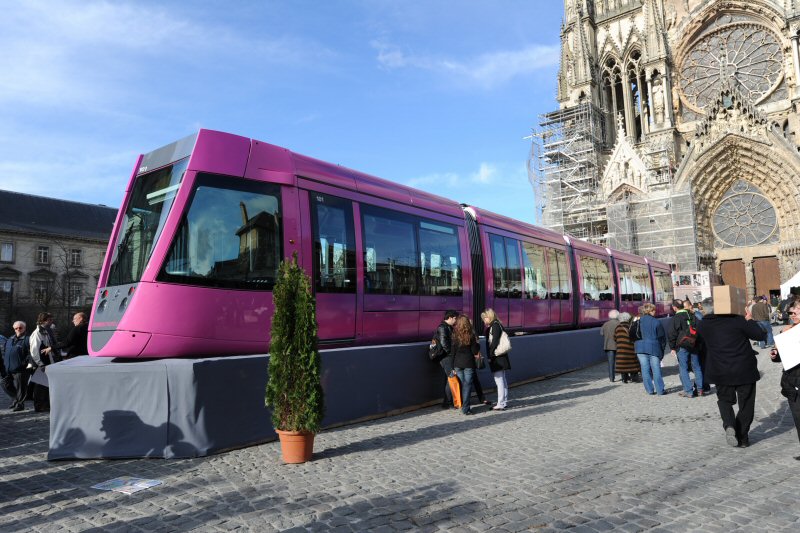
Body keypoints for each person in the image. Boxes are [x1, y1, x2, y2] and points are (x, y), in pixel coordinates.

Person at [696, 304, 766, 447]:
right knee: (746, 404)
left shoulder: (704, 324)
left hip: (719, 369)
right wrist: (750, 319)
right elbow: (760, 335)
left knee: (724, 400)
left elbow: (698, 345)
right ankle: (743, 438)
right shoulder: (738, 320)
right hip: (743, 369)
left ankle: (729, 424)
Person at [769, 300, 800, 460]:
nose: (793, 314)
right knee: (798, 416)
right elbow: (778, 355)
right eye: (791, 312)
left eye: (797, 311)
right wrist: (775, 353)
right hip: (793, 380)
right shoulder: (786, 331)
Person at [668, 299, 704, 398]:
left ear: (674, 307)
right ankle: (700, 389)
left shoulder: (675, 318)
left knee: (683, 368)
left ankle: (689, 391)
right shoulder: (692, 315)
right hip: (694, 344)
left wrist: (672, 347)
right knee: (697, 367)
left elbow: (671, 334)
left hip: (682, 345)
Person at [29, 312, 60, 412]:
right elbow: (34, 349)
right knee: (40, 385)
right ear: (43, 320)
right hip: (42, 362)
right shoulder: (38, 332)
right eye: (49, 320)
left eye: (51, 320)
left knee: (46, 384)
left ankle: (45, 404)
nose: (51, 321)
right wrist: (40, 363)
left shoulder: (47, 330)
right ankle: (39, 405)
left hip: (48, 361)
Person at [633, 303, 667, 395]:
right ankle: (660, 390)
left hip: (640, 348)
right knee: (656, 369)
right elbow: (662, 338)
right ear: (650, 311)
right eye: (654, 310)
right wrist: (662, 350)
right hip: (653, 348)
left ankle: (649, 390)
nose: (655, 312)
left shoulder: (637, 321)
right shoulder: (656, 322)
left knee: (644, 369)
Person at [481, 308, 511, 411]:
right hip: (501, 356)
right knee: (502, 379)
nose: (484, 321)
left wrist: (490, 356)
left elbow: (493, 343)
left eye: (484, 318)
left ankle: (501, 403)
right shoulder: (497, 325)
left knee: (499, 381)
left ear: (489, 317)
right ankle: (504, 401)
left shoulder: (494, 326)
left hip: (497, 357)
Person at [452, 315, 480, 416]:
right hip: (468, 363)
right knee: (467, 386)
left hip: (457, 364)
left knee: (462, 385)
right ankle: (466, 408)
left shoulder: (455, 335)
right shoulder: (471, 335)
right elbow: (475, 351)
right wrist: (477, 344)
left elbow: (452, 352)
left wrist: (452, 367)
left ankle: (462, 405)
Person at [434, 310, 458, 409]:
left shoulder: (447, 327)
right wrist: (451, 354)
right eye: (455, 318)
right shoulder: (443, 327)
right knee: (451, 377)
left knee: (448, 379)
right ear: (450, 317)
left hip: (447, 356)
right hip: (446, 357)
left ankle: (447, 401)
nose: (456, 320)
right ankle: (448, 402)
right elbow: (445, 344)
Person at [3, 321, 30, 411]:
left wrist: (24, 364)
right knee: (4, 384)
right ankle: (16, 399)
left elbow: (31, 354)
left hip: (21, 369)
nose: (18, 329)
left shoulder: (27, 339)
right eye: (16, 328)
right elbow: (5, 352)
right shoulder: (10, 339)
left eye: (20, 328)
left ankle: (20, 404)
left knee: (21, 388)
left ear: (24, 328)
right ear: (14, 329)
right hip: (8, 368)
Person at [614, 312, 640, 383]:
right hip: (630, 349)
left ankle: (624, 379)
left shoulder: (618, 327)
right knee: (633, 363)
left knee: (623, 364)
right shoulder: (630, 326)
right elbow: (634, 337)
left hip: (621, 350)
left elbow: (614, 338)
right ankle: (634, 378)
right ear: (628, 319)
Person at [600, 310, 620, 383]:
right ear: (618, 316)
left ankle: (612, 378)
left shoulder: (605, 324)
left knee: (611, 362)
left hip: (609, 345)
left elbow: (601, 333)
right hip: (619, 345)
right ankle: (624, 377)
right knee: (621, 361)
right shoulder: (620, 323)